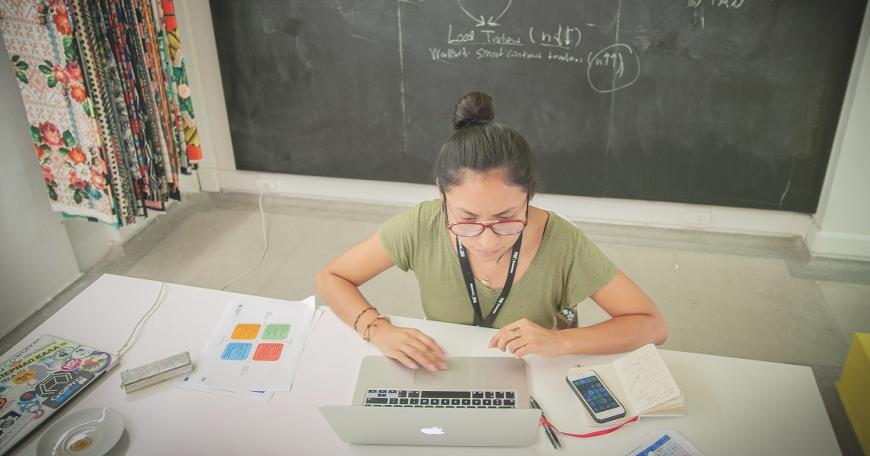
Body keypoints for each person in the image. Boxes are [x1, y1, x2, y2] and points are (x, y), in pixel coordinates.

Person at [315, 92, 667, 372]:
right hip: (444, 365)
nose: (486, 241)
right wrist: (377, 329)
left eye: (506, 219)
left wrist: (560, 342)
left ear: (528, 197)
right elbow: (332, 277)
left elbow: (652, 325)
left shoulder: (564, 243)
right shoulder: (421, 224)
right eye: (466, 219)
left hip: (532, 370)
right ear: (441, 194)